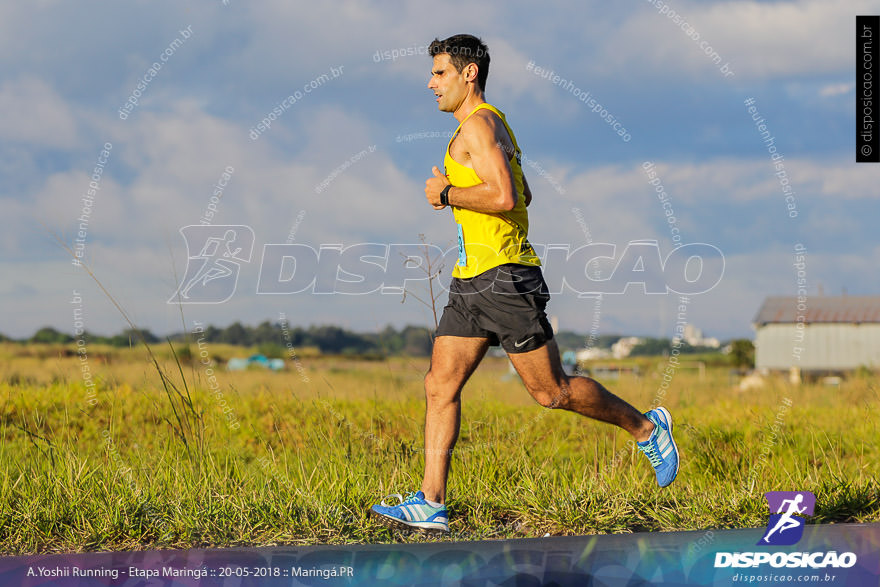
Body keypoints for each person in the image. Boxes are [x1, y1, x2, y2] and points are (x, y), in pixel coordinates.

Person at [370, 34, 679, 534]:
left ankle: (647, 428)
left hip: (506, 279)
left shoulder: (480, 125)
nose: (431, 84)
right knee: (438, 384)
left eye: (440, 73)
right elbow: (525, 194)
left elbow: (505, 194)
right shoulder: (495, 126)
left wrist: (448, 192)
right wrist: (462, 191)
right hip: (472, 280)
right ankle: (430, 500)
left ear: (469, 74)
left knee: (552, 392)